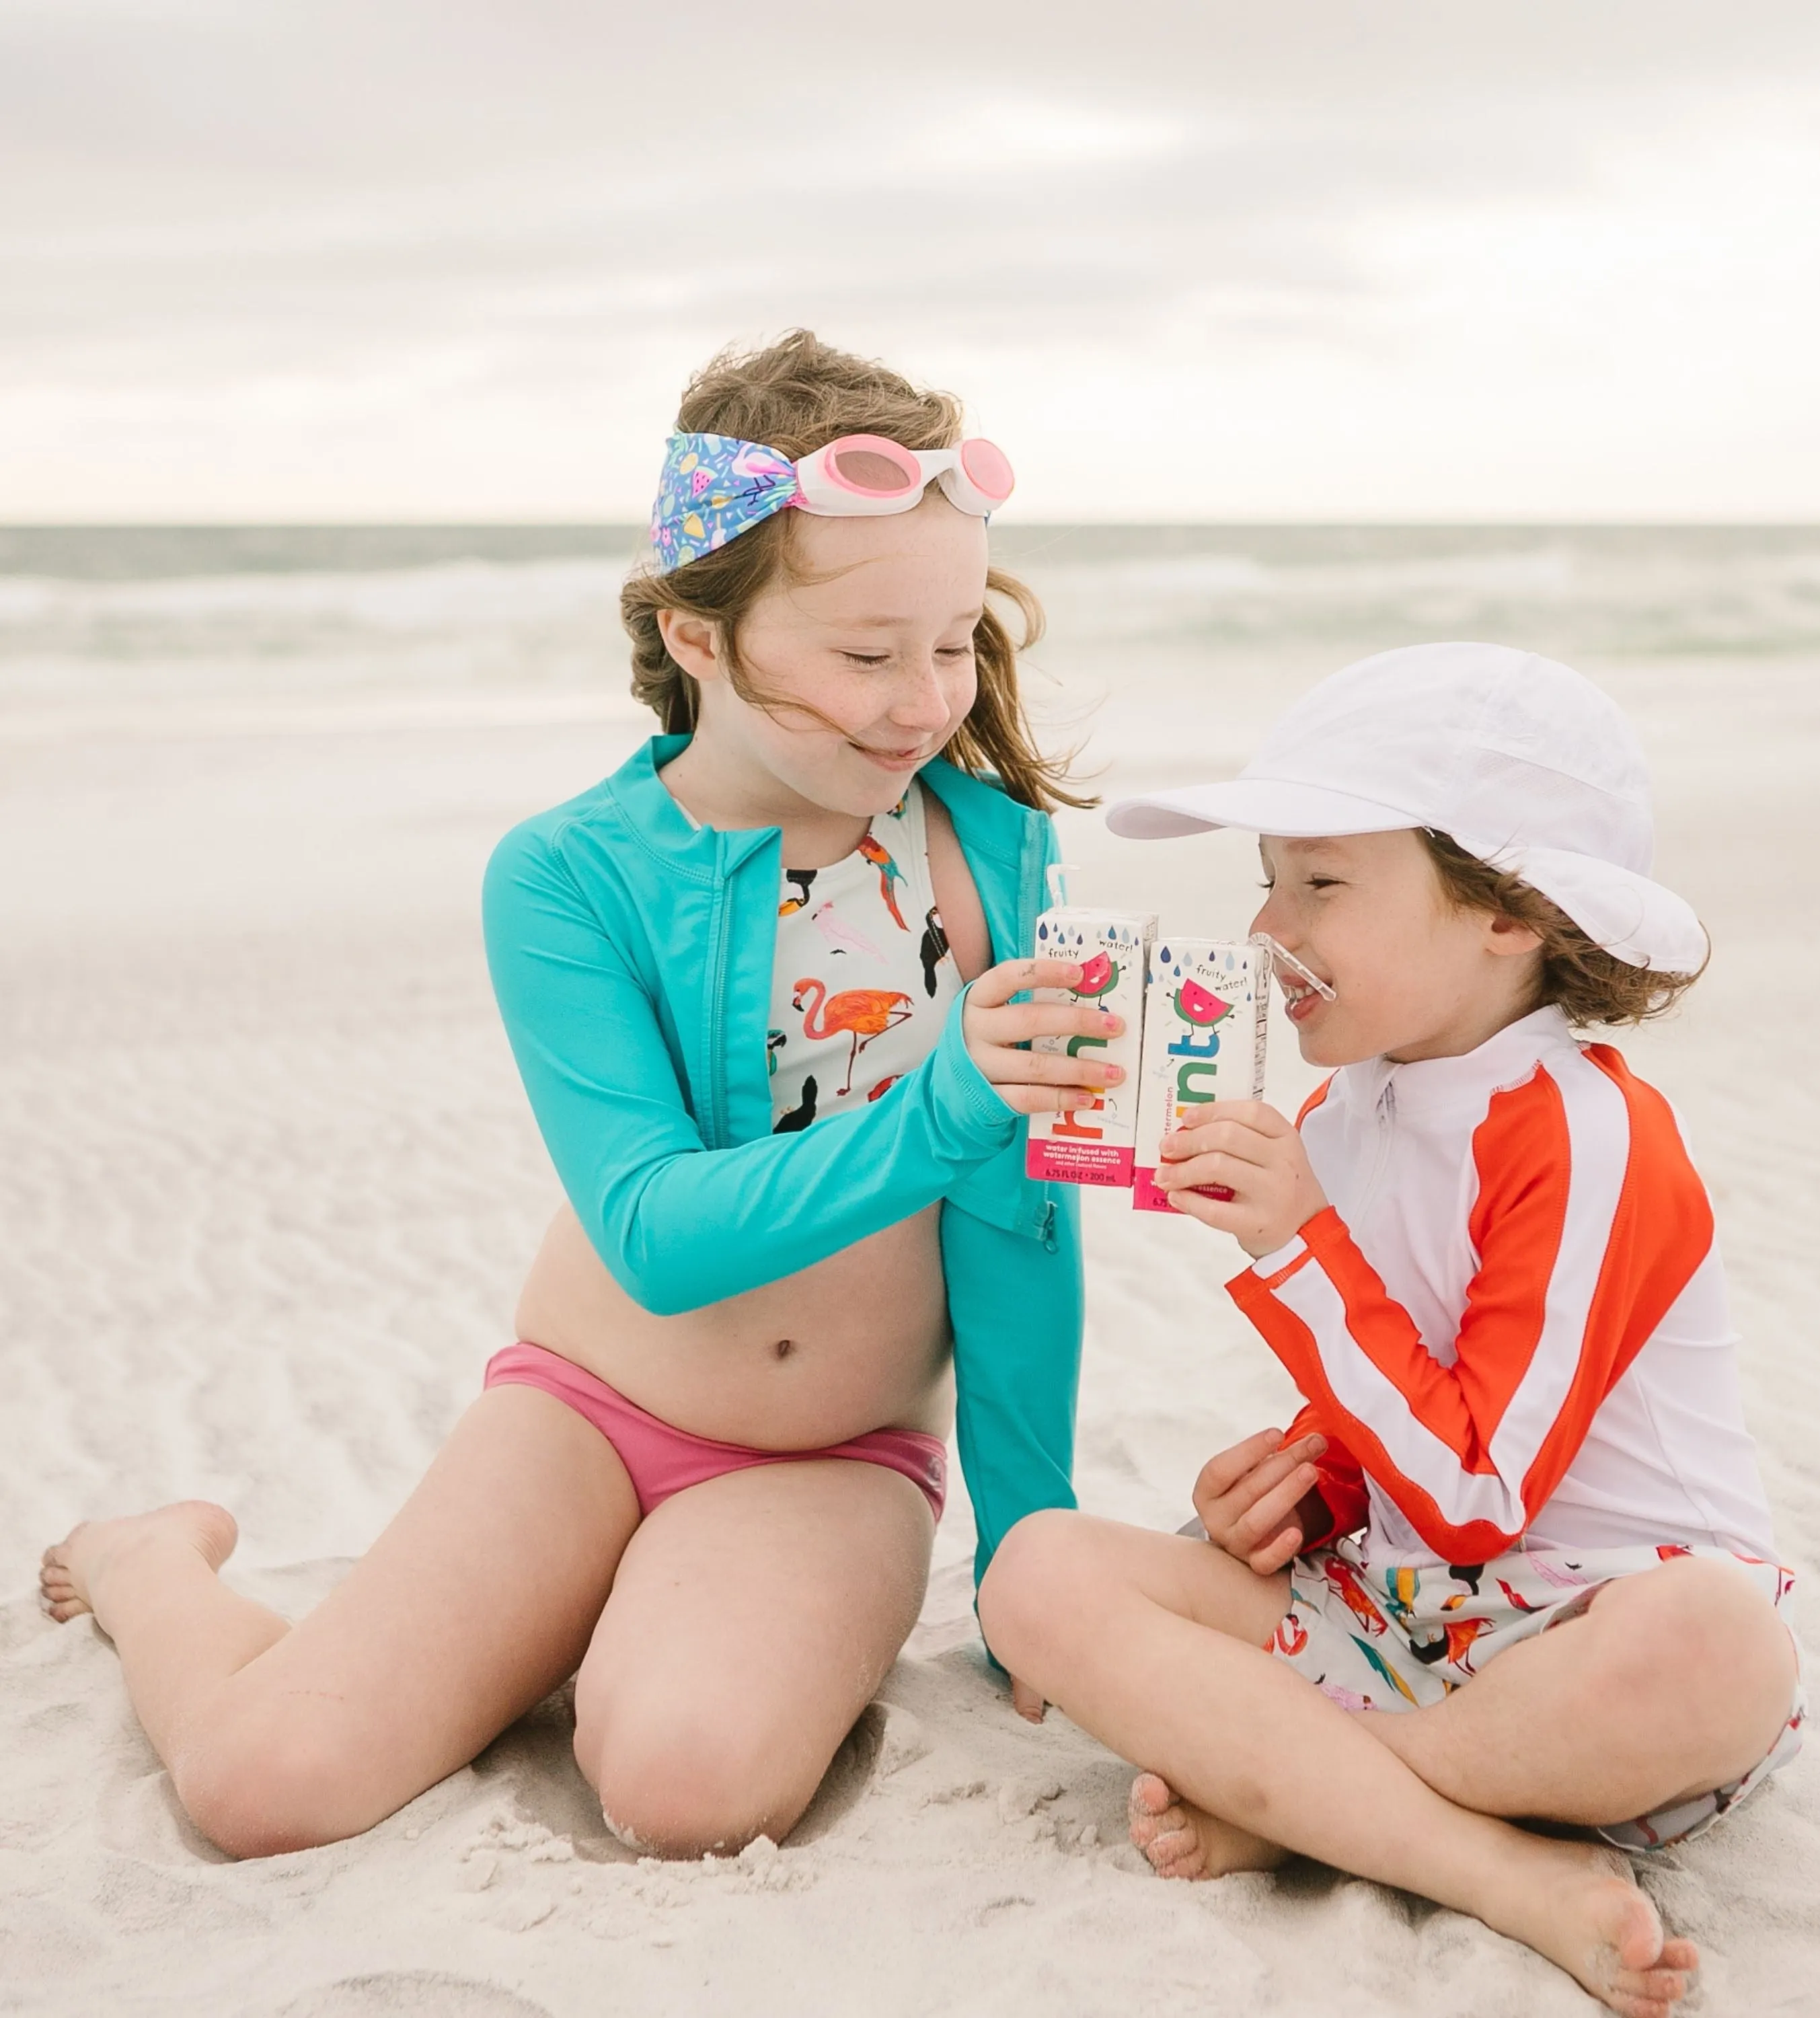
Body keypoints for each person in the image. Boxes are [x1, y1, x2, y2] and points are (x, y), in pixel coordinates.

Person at [39, 332, 1114, 1859]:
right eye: (866, 655)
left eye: (953, 643)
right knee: (261, 1789)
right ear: (697, 633)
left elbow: (1021, 1229)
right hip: (592, 1408)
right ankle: (155, 1566)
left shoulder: (988, 855)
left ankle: (636, 1619)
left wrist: (1028, 1564)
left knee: (686, 1792)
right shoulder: (568, 877)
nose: (925, 700)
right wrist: (947, 1101)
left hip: (832, 1453)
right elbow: (655, 1233)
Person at [978, 644, 1803, 2018]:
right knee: (1037, 1577)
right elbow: (1404, 1413)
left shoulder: (1591, 1132)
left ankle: (1336, 1805)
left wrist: (1293, 1247)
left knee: (1718, 1645)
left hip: (1592, 1634)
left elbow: (1482, 1490)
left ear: (1510, 912)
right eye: (1267, 884)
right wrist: (1310, 1482)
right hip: (1399, 1613)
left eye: (1322, 884)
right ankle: (1451, 1835)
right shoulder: (1345, 1116)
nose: (1265, 933)